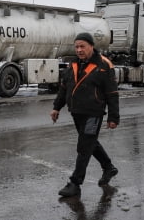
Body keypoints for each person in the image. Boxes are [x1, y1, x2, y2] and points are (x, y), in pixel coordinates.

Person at [50, 32, 120, 197]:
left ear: (91, 46)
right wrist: (56, 107)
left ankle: (75, 184)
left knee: (84, 146)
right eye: (77, 47)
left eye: (83, 46)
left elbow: (112, 93)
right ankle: (109, 168)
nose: (79, 50)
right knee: (90, 143)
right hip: (77, 112)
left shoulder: (104, 65)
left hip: (93, 113)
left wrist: (113, 117)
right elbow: (64, 88)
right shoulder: (73, 64)